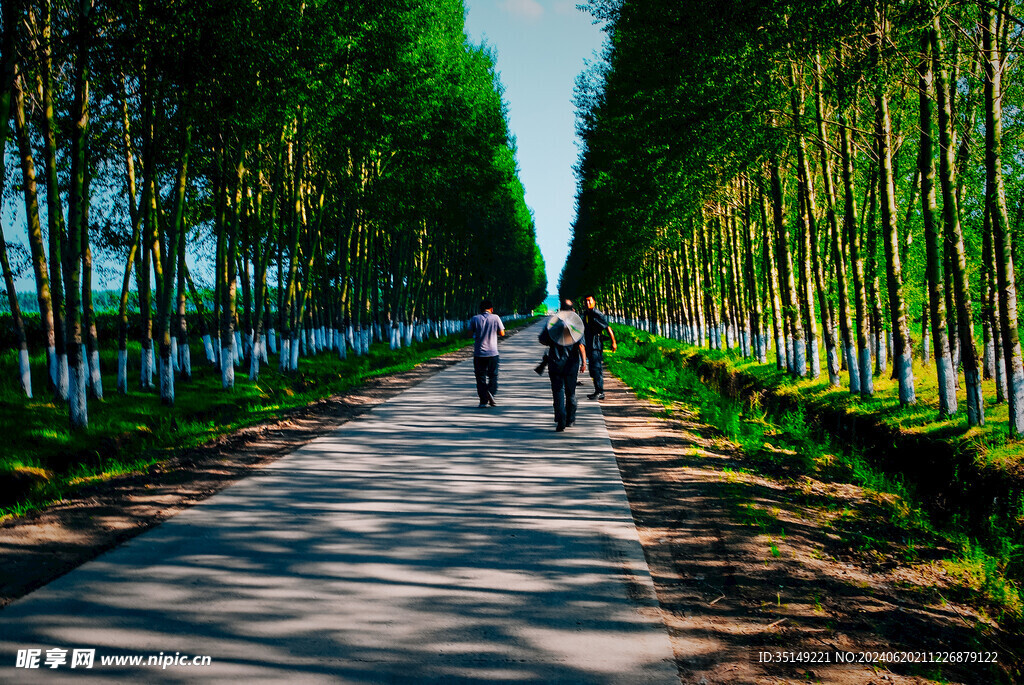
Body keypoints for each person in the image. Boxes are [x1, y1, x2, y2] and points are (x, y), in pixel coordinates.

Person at [539, 299, 587, 432]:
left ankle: (561, 419)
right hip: (571, 364)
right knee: (570, 393)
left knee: (557, 391)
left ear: (561, 310)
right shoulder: (577, 325)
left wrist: (553, 341)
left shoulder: (553, 323)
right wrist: (584, 362)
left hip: (555, 363)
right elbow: (581, 346)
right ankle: (570, 419)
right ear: (573, 310)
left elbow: (542, 340)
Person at [468, 299, 504, 407]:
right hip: (492, 353)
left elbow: (469, 334)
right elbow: (502, 333)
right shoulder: (496, 317)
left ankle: (483, 401)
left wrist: (477, 334)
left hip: (479, 353)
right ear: (491, 309)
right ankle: (490, 392)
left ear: (480, 309)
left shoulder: (475, 318)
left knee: (480, 377)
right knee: (493, 376)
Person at [582, 294, 617, 400]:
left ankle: (600, 392)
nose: (588, 303)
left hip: (595, 345)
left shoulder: (597, 314)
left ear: (594, 302)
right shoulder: (587, 313)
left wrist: (613, 342)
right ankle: (597, 390)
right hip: (589, 344)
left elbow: (607, 327)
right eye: (586, 301)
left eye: (589, 301)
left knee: (596, 369)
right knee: (593, 369)